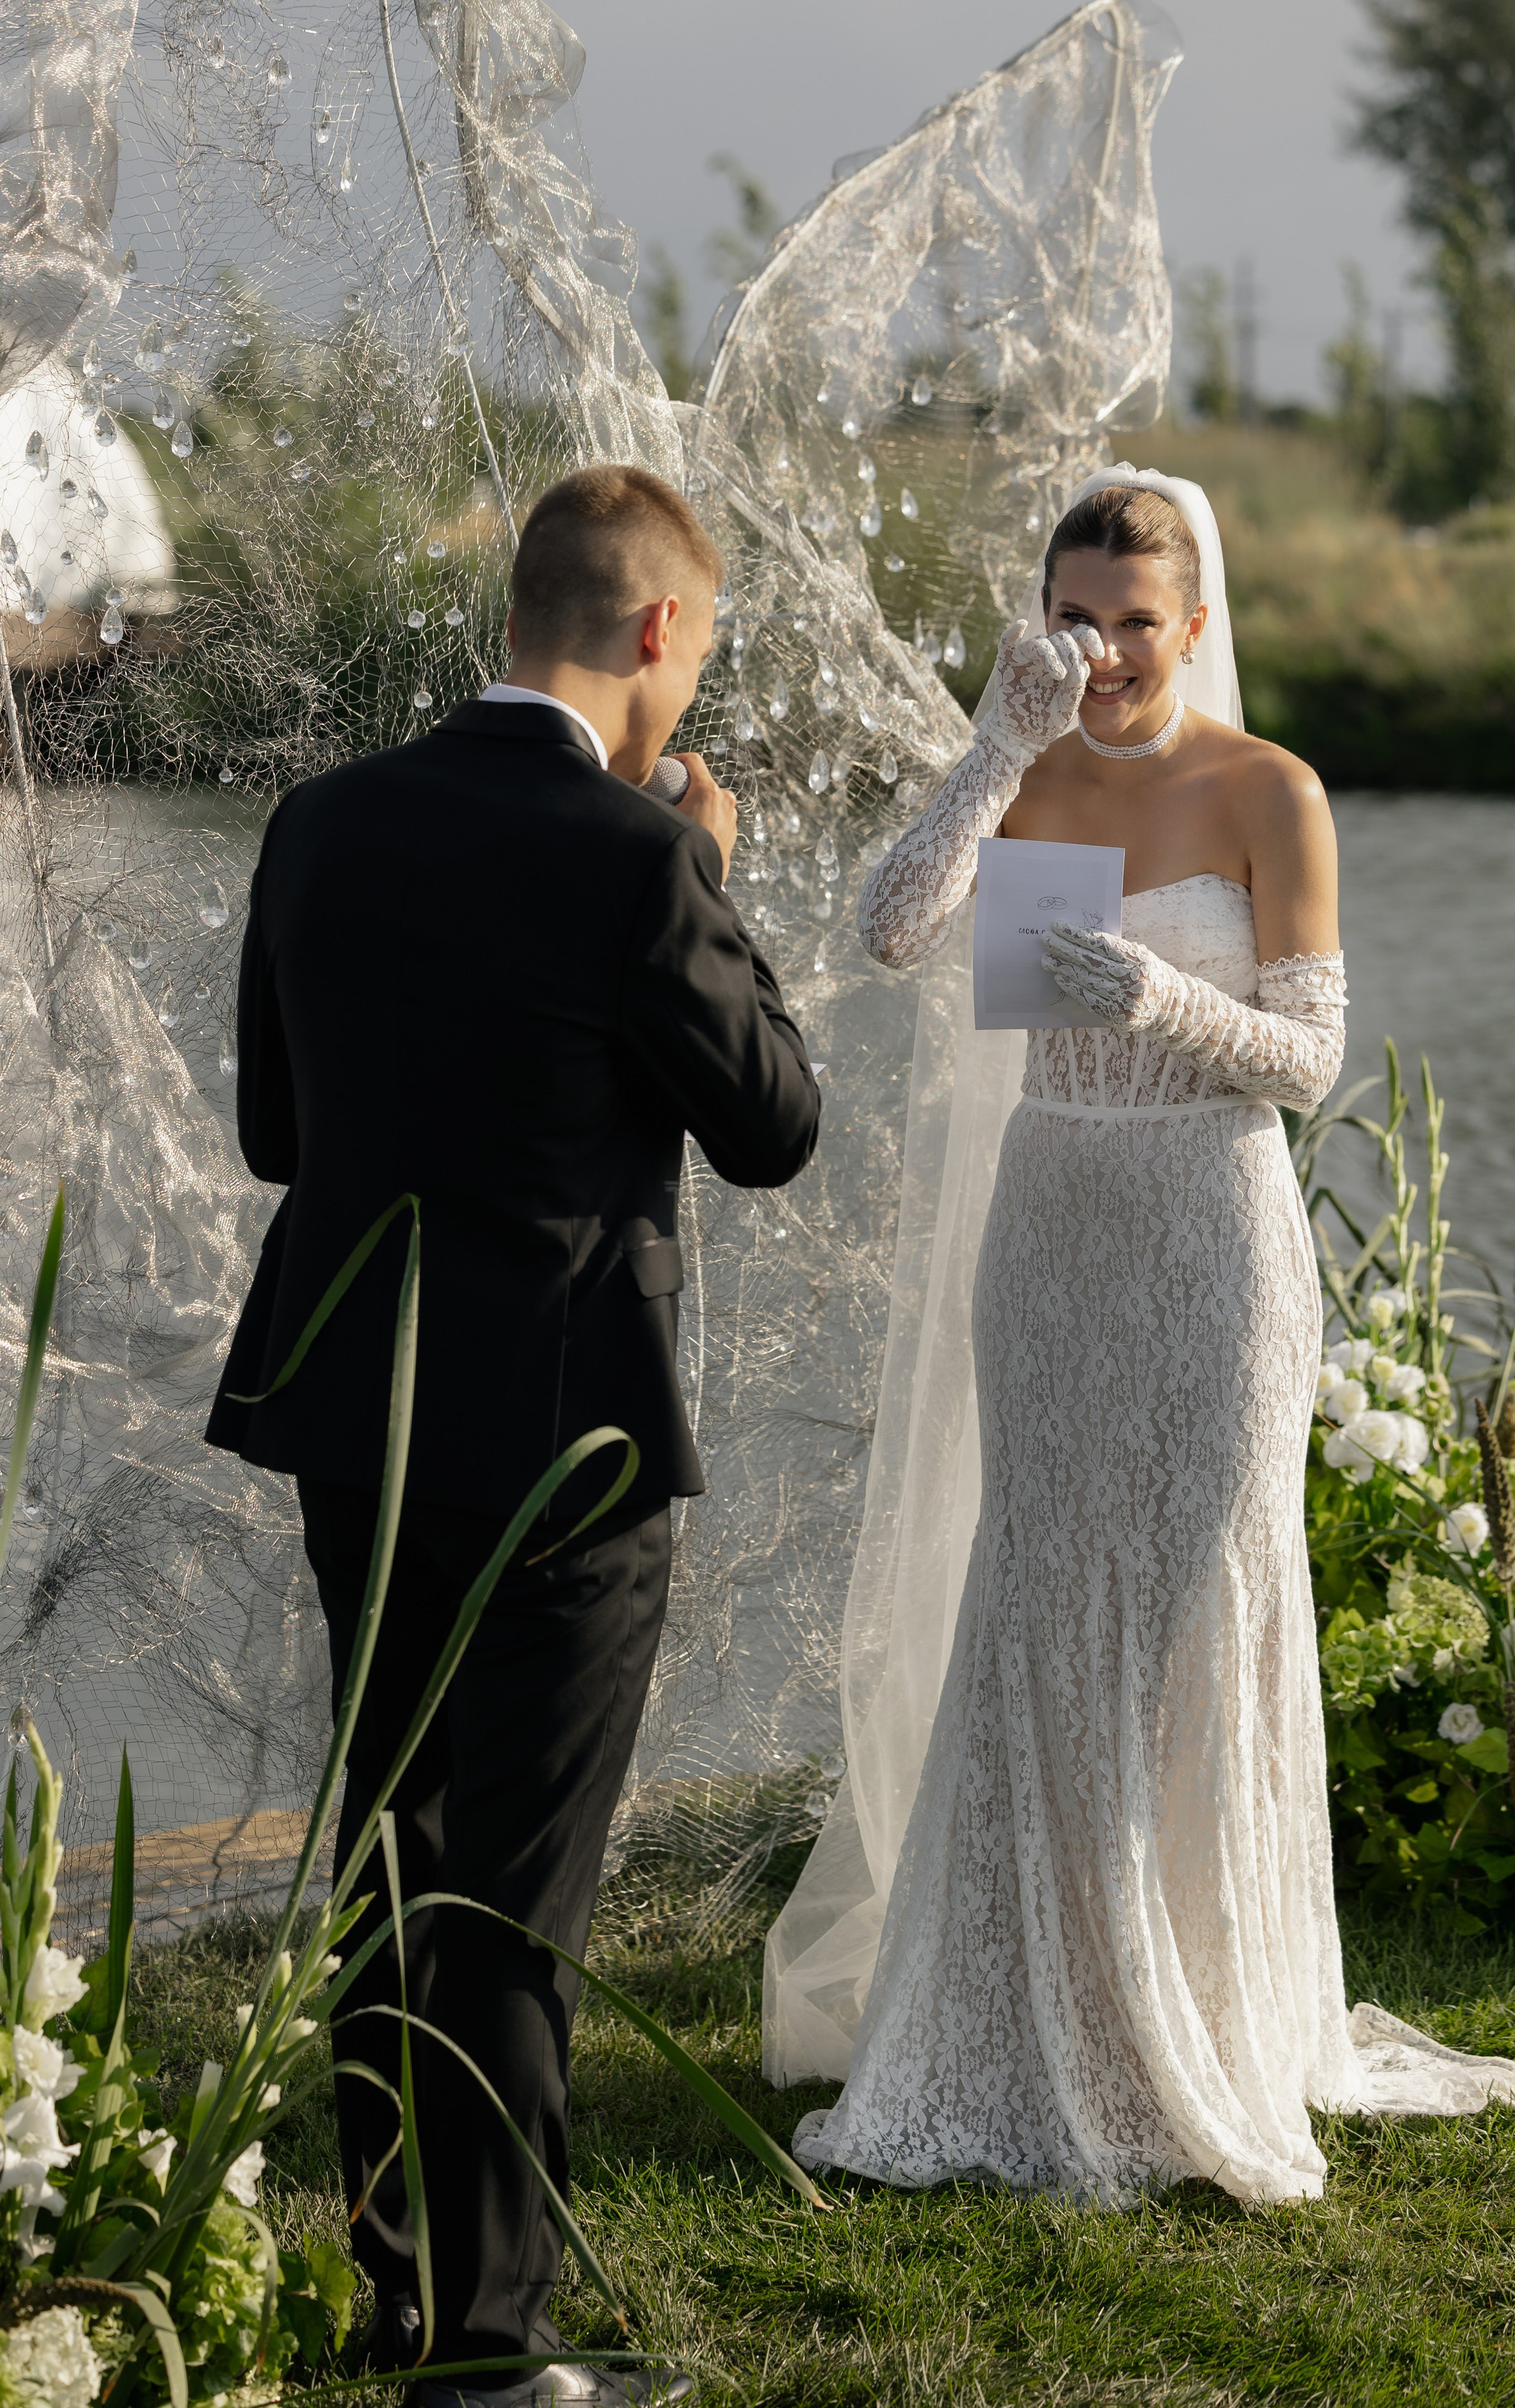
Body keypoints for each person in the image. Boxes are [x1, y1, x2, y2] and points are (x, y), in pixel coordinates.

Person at [773, 468, 1515, 2206]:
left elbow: (1310, 1063)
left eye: (1138, 622)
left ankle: (1202, 2008)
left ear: (1193, 624)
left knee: (1200, 1596)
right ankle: (1032, 2009)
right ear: (1045, 621)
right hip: (1054, 1217)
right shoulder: (1030, 768)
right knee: (1048, 1583)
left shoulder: (1269, 789)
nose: (1108, 653)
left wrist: (1164, 997)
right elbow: (891, 928)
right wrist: (994, 746)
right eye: (1077, 619)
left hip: (1214, 1229)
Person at [206, 464, 821, 2404]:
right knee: (520, 1892)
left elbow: (278, 1134)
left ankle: (403, 2294)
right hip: (571, 1436)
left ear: (512, 617)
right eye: (696, 651)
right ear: (657, 630)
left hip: (357, 1412)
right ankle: (489, 2353)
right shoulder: (641, 856)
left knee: (393, 1848)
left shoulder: (322, 819)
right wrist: (708, 873)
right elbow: (775, 1122)